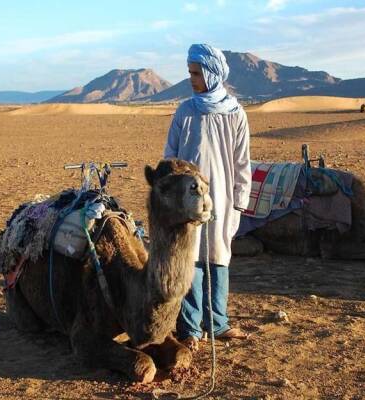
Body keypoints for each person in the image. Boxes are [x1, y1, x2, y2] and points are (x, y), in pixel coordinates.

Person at [164, 43, 251, 350]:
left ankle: (218, 323)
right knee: (191, 258)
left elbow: (242, 161)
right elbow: (170, 158)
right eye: (190, 72)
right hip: (187, 199)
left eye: (196, 73)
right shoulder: (185, 111)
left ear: (212, 73)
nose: (191, 78)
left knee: (218, 257)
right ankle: (190, 329)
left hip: (224, 197)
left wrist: (240, 199)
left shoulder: (235, 113)